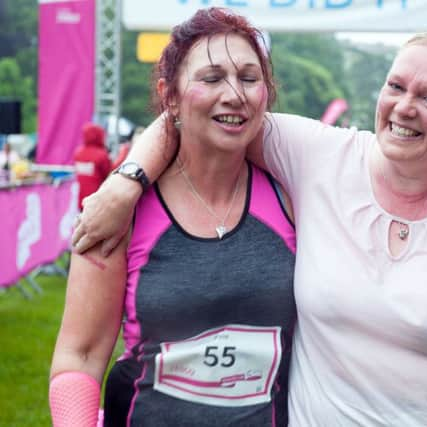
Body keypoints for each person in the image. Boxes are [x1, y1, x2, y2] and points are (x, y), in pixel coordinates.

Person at [71, 13, 427, 425]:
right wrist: (126, 180)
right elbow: (199, 112)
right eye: (396, 86)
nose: (405, 108)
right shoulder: (320, 156)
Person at [50, 9, 299, 426]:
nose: (234, 94)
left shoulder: (293, 195)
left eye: (249, 78)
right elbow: (81, 355)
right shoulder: (120, 211)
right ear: (170, 95)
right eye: (212, 77)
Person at [72, 123, 113, 210]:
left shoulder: (78, 153)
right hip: (97, 198)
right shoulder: (102, 155)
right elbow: (109, 175)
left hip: (81, 198)